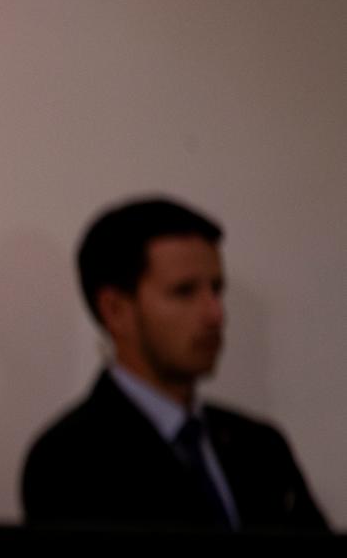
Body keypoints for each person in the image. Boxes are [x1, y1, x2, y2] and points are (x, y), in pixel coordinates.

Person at [21, 196, 326, 530]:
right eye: (184, 292)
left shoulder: (261, 447)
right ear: (115, 310)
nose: (215, 313)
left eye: (216, 289)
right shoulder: (68, 460)